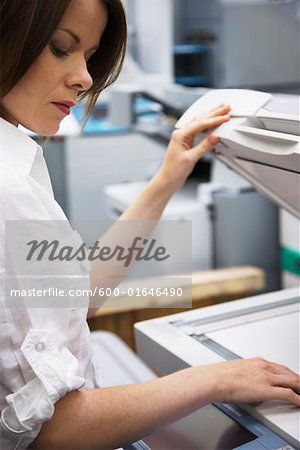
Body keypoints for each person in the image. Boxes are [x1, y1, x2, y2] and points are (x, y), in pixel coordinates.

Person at [0, 1, 299, 449]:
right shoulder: (8, 189)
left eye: (88, 56)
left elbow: (76, 298)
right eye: (61, 47)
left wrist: (168, 176)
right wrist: (214, 379)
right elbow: (52, 432)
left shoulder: (17, 159)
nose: (84, 77)